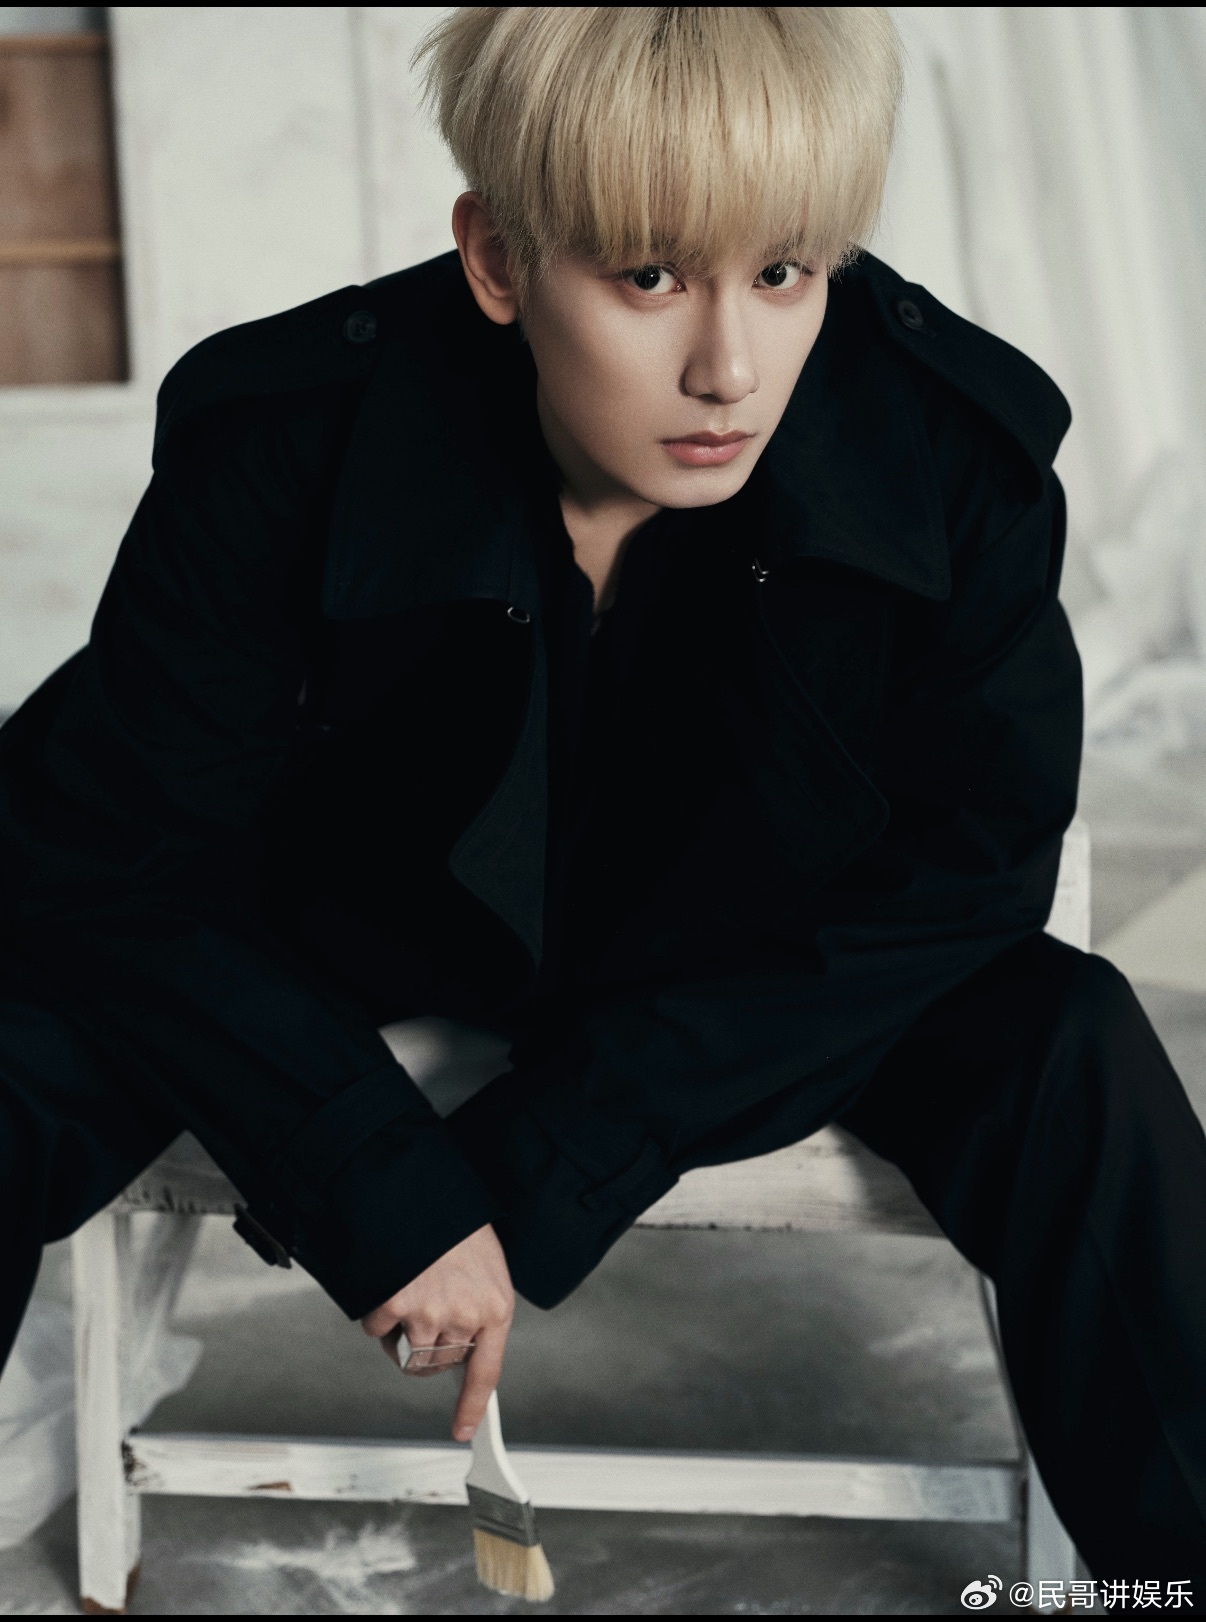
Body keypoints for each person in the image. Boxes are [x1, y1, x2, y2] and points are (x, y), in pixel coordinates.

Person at [0, 4, 1203, 1576]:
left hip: (749, 949)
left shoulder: (947, 458)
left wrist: (541, 1162)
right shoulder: (286, 438)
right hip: (360, 912)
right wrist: (374, 1177)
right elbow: (111, 851)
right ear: (497, 260)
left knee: (1072, 1042)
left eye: (784, 271)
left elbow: (967, 870)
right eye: (648, 275)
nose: (728, 368)